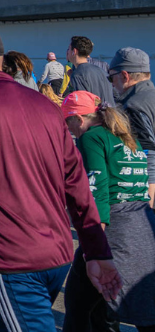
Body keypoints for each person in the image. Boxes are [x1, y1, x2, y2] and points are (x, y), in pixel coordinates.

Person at [0, 23, 120, 332]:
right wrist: (96, 249)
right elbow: (77, 184)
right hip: (55, 254)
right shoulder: (44, 106)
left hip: (11, 261)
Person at [61, 91, 155, 332]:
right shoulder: (123, 136)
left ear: (79, 120)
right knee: (136, 302)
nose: (68, 129)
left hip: (113, 228)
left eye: (67, 122)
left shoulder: (91, 138)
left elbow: (97, 188)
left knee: (79, 304)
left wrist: (94, 239)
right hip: (143, 225)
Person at [108, 46, 155, 206]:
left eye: (111, 77)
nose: (112, 84)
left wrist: (147, 208)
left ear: (124, 75)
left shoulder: (134, 106)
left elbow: (148, 155)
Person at [68, 35, 117, 106]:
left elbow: (83, 104)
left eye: (69, 49)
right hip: (111, 114)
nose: (68, 52)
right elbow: (115, 94)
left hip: (95, 115)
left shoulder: (77, 74)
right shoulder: (101, 70)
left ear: (74, 51)